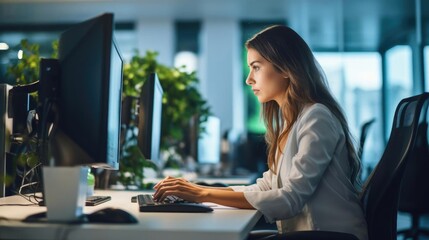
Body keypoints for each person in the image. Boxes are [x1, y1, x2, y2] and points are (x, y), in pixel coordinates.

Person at [153, 25, 368, 240]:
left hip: (331, 235)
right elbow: (267, 186)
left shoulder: (316, 117)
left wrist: (201, 194)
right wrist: (195, 190)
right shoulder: (292, 122)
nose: (249, 79)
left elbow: (289, 200)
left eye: (256, 67)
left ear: (285, 68)